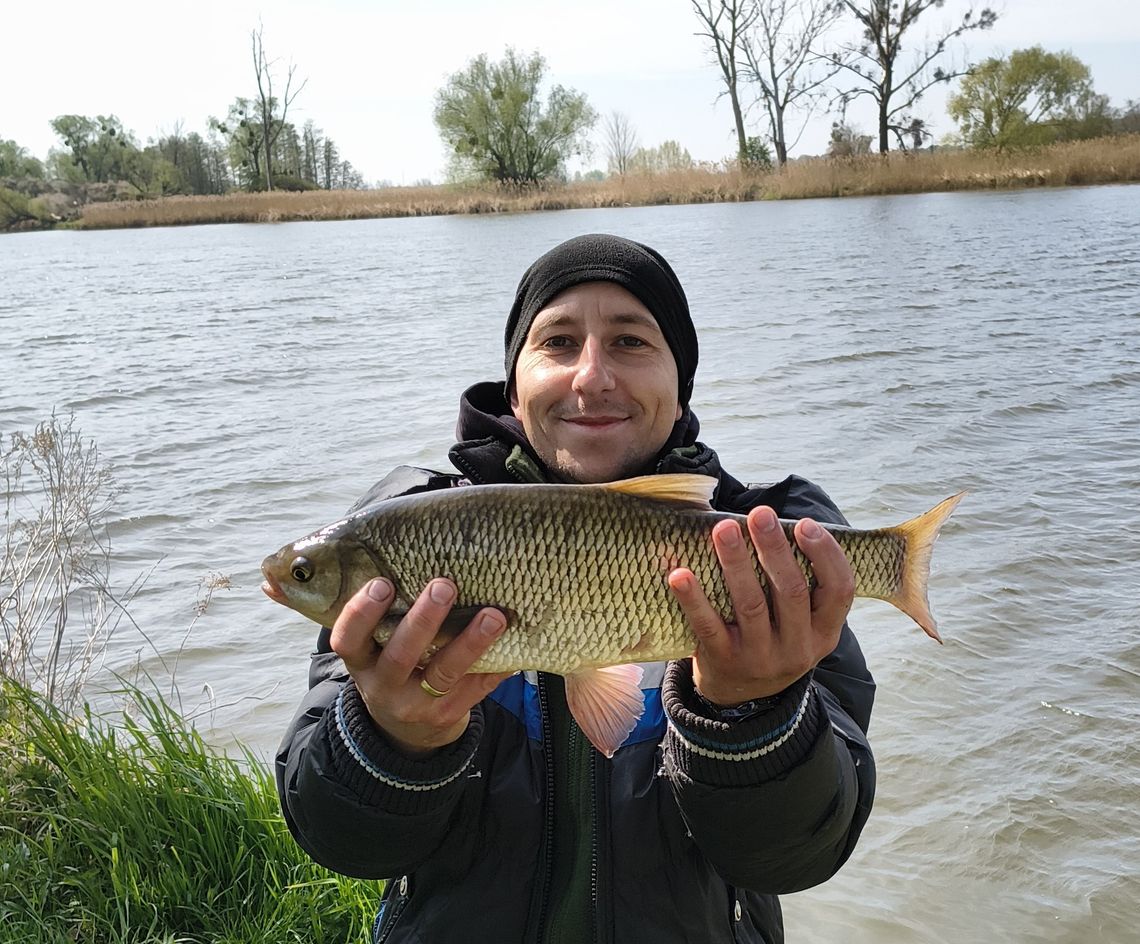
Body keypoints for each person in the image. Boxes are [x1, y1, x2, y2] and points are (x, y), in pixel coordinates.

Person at [275, 233, 876, 943]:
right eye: (558, 342)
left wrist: (756, 719)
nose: (592, 377)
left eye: (630, 342)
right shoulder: (407, 533)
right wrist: (391, 739)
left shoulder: (761, 546)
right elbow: (340, 842)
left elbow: (800, 854)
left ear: (680, 378)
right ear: (514, 381)